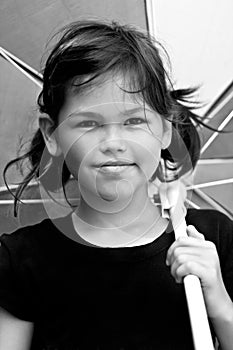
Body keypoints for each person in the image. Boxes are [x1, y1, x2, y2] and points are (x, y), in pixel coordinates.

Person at [1, 19, 233, 350]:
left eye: (134, 121)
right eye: (89, 123)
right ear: (52, 133)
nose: (113, 142)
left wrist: (220, 303)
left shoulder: (215, 242)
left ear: (165, 129)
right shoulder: (21, 261)